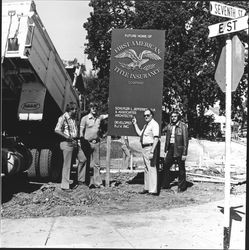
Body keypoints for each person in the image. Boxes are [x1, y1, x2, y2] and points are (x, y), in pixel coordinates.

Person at [54, 102, 86, 192]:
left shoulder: (74, 118)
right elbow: (56, 130)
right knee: (67, 165)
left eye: (75, 109)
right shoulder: (62, 118)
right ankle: (65, 185)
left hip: (75, 142)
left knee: (83, 159)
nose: (75, 111)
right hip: (67, 142)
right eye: (73, 109)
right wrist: (67, 137)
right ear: (69, 109)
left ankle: (80, 181)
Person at [79, 102, 108, 188]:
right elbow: (81, 131)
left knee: (97, 164)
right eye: (92, 108)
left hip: (96, 143)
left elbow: (108, 115)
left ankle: (98, 183)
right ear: (90, 108)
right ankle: (82, 182)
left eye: (95, 108)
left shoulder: (99, 118)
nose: (94, 109)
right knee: (84, 162)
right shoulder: (84, 118)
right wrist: (82, 140)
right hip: (87, 143)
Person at [132, 108, 160, 196]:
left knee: (152, 168)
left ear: (152, 115)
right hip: (144, 148)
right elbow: (140, 134)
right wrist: (135, 124)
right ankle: (147, 188)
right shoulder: (146, 125)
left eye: (148, 115)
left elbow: (156, 138)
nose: (146, 117)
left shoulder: (154, 124)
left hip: (150, 148)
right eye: (144, 115)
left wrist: (152, 151)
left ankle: (153, 190)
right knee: (146, 169)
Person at [162, 110, 189, 192]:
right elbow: (163, 130)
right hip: (171, 148)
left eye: (175, 116)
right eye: (172, 116)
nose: (173, 118)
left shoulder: (183, 126)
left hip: (179, 149)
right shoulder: (169, 126)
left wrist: (184, 153)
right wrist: (166, 149)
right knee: (166, 166)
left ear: (178, 117)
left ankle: (181, 187)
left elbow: (185, 141)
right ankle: (165, 185)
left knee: (181, 168)